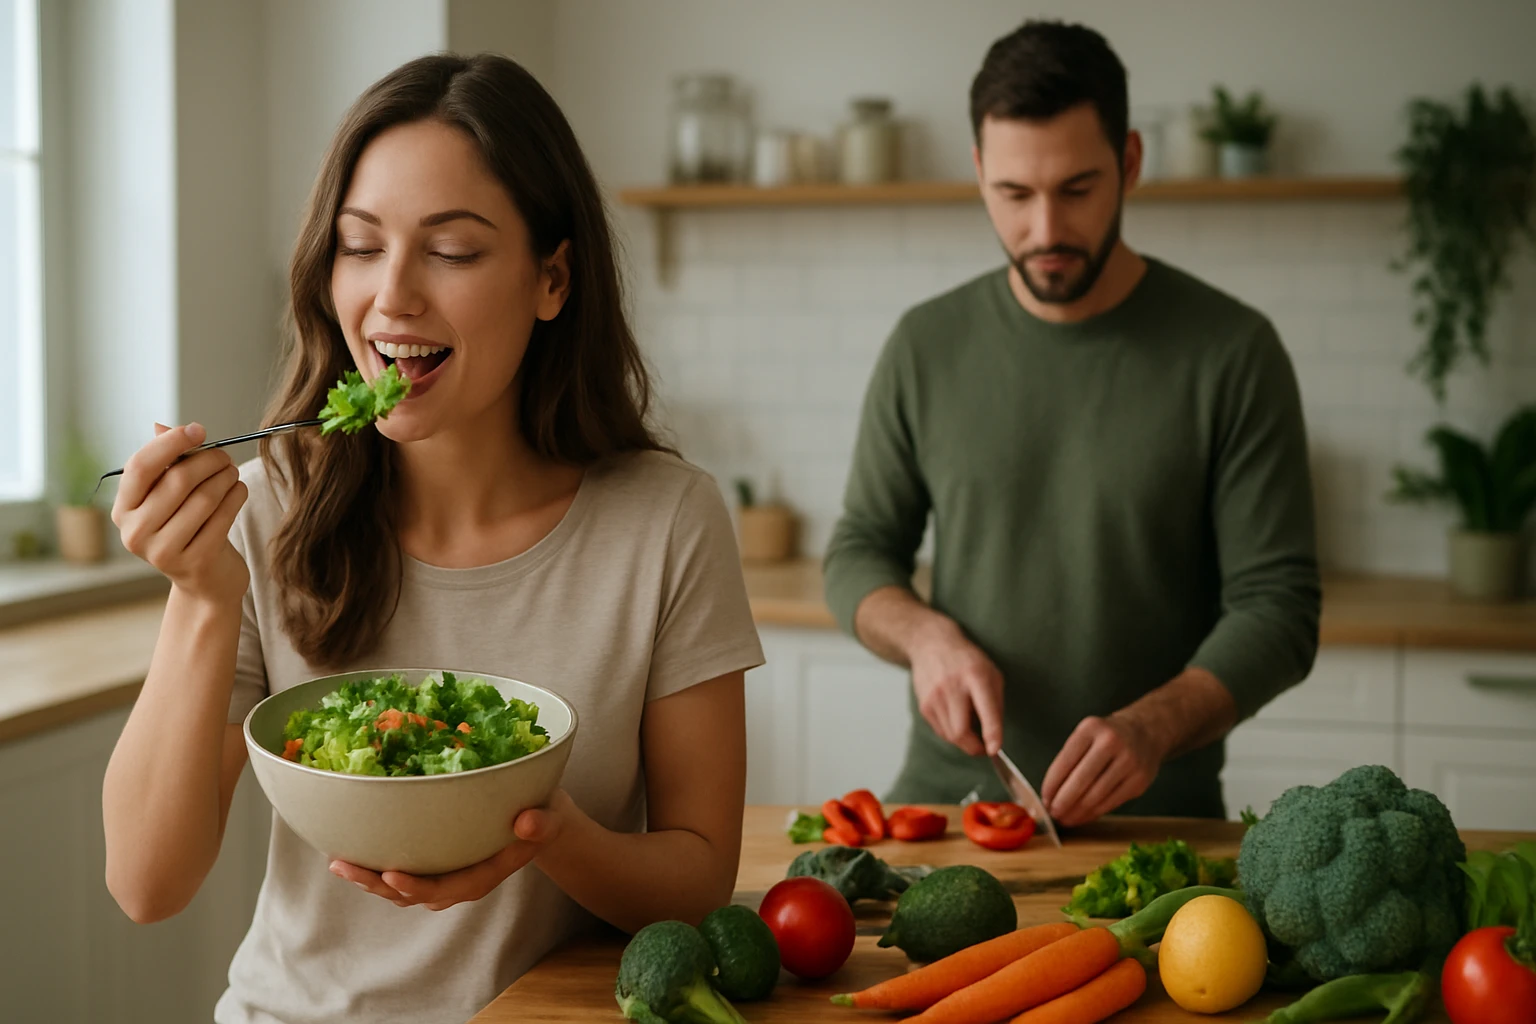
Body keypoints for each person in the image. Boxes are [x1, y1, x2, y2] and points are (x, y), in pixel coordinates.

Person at [100, 53, 763, 1024]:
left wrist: (542, 831)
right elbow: (144, 882)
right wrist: (203, 597)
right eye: (360, 246)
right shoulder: (263, 510)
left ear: (552, 278)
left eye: (451, 250)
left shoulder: (666, 521)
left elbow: (698, 884)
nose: (393, 295)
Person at [824, 20, 1320, 826]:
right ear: (979, 170)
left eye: (1077, 189)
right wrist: (924, 638)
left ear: (1130, 161)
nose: (1046, 230)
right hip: (946, 811)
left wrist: (1153, 726)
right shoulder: (925, 345)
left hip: (1156, 824)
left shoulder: (1233, 352)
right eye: (1014, 195)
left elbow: (1279, 606)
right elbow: (858, 551)